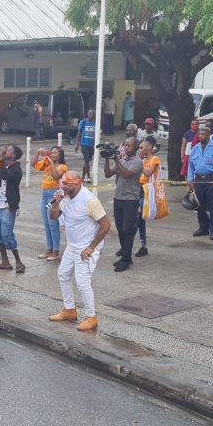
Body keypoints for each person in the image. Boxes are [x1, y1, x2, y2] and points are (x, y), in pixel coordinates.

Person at [48, 171, 112, 331]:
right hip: (72, 246)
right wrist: (56, 203)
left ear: (78, 182)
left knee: (82, 282)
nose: (63, 186)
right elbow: (53, 217)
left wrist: (91, 247)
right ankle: (69, 310)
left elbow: (106, 225)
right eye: (62, 183)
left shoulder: (89, 200)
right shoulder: (64, 197)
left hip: (87, 248)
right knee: (63, 274)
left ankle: (91, 317)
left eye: (67, 183)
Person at [0, 145, 25, 273]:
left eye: (8, 150)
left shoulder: (16, 169)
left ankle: (19, 261)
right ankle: (5, 262)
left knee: (7, 235)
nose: (5, 151)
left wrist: (0, 159)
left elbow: (6, 176)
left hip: (8, 206)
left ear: (13, 156)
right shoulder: (4, 167)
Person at [104, 137, 143, 272]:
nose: (126, 148)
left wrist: (116, 160)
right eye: (125, 145)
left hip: (130, 199)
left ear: (136, 147)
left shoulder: (137, 162)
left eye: (129, 146)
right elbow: (108, 174)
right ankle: (126, 255)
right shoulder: (122, 160)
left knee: (128, 229)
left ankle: (126, 260)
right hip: (118, 198)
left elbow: (126, 174)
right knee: (120, 228)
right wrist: (106, 158)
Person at [187, 126, 213, 240]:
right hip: (199, 180)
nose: (200, 136)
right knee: (200, 206)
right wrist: (190, 180)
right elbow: (190, 166)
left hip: (211, 180)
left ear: (208, 135)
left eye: (202, 134)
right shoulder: (195, 148)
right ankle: (203, 228)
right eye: (199, 134)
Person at [33, 146, 67, 261]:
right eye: (51, 152)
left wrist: (51, 162)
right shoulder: (46, 164)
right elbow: (33, 165)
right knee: (46, 225)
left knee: (53, 225)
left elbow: (56, 176)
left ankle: (55, 251)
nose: (52, 154)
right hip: (44, 196)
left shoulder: (62, 167)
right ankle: (49, 248)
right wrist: (38, 153)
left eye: (55, 153)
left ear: (60, 155)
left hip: (53, 196)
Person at [135, 136, 160, 257]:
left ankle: (132, 244)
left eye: (141, 147)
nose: (139, 149)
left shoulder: (155, 159)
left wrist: (139, 163)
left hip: (147, 191)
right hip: (139, 189)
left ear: (149, 147)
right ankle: (142, 245)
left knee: (138, 218)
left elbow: (149, 172)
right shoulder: (143, 160)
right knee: (139, 220)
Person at [74, 109, 96, 180]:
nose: (91, 115)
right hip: (84, 144)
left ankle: (83, 177)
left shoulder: (96, 123)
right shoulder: (83, 122)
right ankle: (88, 176)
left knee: (87, 161)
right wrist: (77, 144)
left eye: (93, 113)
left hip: (92, 145)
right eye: (90, 113)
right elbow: (79, 133)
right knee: (86, 160)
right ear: (87, 114)